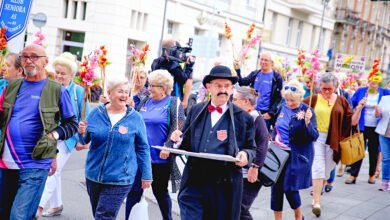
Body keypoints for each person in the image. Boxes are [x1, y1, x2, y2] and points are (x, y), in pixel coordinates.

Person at [0, 44, 78, 219]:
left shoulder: (56, 90)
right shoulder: (12, 87)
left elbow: (71, 123)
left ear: (46, 62)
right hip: (7, 162)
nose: (28, 60)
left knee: (18, 216)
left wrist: (53, 136)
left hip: (36, 163)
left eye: (34, 56)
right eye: (25, 56)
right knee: (4, 214)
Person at [170, 65, 256, 220]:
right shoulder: (196, 110)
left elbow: (251, 149)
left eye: (227, 86)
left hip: (223, 185)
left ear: (231, 89)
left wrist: (245, 155)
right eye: (218, 85)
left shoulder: (244, 118)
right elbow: (186, 142)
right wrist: (178, 139)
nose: (223, 90)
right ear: (208, 87)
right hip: (194, 181)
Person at [78, 75, 152, 219]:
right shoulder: (96, 113)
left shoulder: (135, 118)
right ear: (109, 93)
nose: (124, 95)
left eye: (126, 92)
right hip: (93, 175)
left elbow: (143, 148)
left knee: (104, 216)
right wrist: (82, 132)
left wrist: (146, 174)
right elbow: (84, 140)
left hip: (120, 178)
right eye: (120, 91)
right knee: (98, 214)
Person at [37, 52, 91, 217]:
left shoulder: (78, 91)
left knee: (52, 169)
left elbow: (85, 115)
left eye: (63, 74)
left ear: (71, 75)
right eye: (57, 72)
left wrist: (83, 137)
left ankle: (38, 207)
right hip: (49, 135)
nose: (59, 76)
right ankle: (57, 204)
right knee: (56, 171)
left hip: (68, 136)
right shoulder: (49, 87)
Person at [126, 69, 184, 220]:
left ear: (163, 88)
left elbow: (178, 126)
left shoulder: (173, 102)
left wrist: (169, 145)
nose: (149, 88)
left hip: (160, 157)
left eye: (152, 85)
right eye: (149, 85)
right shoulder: (145, 99)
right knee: (134, 191)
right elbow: (128, 106)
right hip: (140, 156)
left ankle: (167, 218)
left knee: (159, 192)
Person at [303, 73, 357, 217]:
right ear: (319, 86)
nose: (326, 92)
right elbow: (298, 109)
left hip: (333, 140)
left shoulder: (342, 101)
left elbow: (350, 121)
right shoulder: (313, 99)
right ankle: (316, 202)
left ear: (336, 87)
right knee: (318, 168)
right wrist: (303, 117)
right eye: (324, 88)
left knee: (327, 170)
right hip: (316, 138)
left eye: (329, 89)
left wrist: (359, 109)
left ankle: (318, 187)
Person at [271, 80, 318, 220]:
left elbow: (314, 136)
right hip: (278, 152)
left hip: (296, 155)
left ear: (299, 98)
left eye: (292, 100)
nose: (289, 103)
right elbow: (276, 126)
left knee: (289, 187)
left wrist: (307, 123)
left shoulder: (307, 111)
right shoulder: (282, 107)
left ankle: (298, 216)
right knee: (276, 188)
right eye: (287, 99)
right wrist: (273, 140)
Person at [232, 86, 268, 220]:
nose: (232, 102)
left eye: (235, 99)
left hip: (251, 173)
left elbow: (263, 144)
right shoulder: (242, 116)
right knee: (235, 208)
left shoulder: (255, 118)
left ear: (246, 102)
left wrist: (255, 167)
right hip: (241, 171)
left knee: (241, 208)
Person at [346, 78, 390, 184]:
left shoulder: (384, 92)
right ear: (369, 80)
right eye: (372, 80)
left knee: (373, 151)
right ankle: (353, 175)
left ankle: (372, 175)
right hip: (361, 125)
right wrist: (359, 106)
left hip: (376, 127)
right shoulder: (361, 91)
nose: (374, 82)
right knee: (358, 151)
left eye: (376, 80)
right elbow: (351, 104)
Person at [234, 51, 283, 131]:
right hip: (251, 110)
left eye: (266, 60)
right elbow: (243, 83)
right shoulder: (255, 74)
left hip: (265, 114)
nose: (263, 62)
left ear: (272, 63)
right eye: (262, 59)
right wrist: (238, 70)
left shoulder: (276, 78)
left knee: (261, 139)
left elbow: (278, 98)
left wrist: (271, 113)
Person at [151, 38, 194, 105]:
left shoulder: (155, 62)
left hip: (156, 96)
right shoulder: (173, 65)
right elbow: (184, 78)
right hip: (171, 98)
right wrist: (189, 66)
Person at [375, 95, 390, 191]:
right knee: (386, 158)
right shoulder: (385, 99)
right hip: (384, 133)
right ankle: (385, 181)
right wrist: (377, 111)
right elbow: (377, 115)